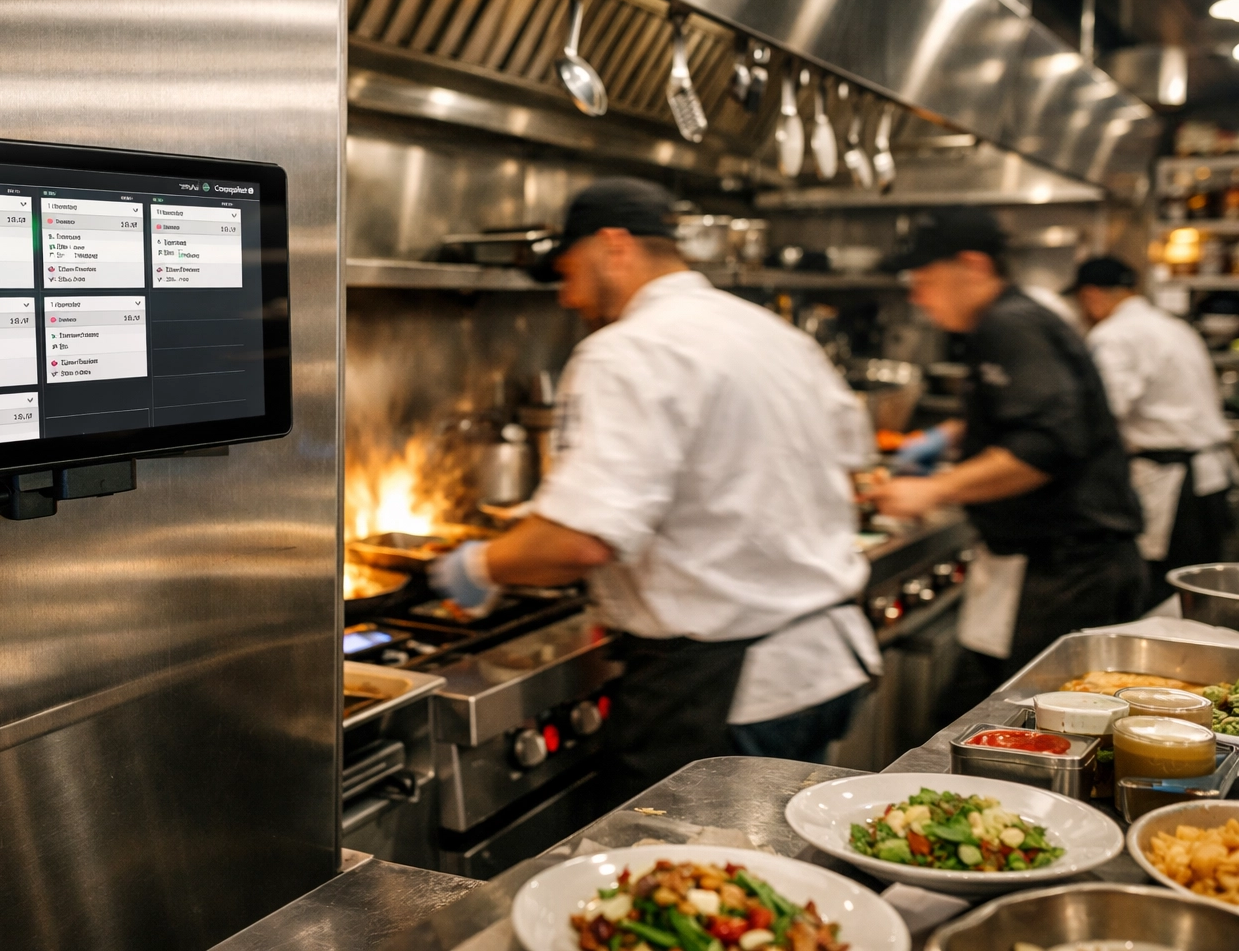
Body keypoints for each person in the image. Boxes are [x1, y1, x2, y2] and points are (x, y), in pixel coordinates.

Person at [429, 178, 881, 804]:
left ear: (613, 245)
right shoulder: (773, 334)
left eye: (568, 271)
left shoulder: (625, 350)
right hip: (824, 661)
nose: (565, 295)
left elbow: (581, 542)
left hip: (726, 687)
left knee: (681, 861)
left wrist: (479, 566)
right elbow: (848, 468)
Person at [872, 209, 1145, 722]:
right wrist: (950, 434)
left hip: (1067, 572)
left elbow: (1048, 443)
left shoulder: (1009, 325)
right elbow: (1031, 413)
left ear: (973, 266)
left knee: (1030, 728)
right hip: (1053, 567)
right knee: (983, 720)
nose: (917, 296)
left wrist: (933, 489)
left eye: (924, 278)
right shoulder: (1010, 319)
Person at [1067, 256, 1235, 607]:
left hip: (1173, 482)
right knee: (1198, 593)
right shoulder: (1172, 326)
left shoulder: (1114, 335)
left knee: (1165, 595)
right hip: (1211, 476)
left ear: (1091, 295)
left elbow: (1101, 414)